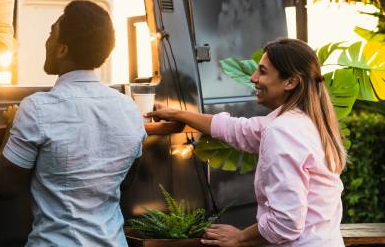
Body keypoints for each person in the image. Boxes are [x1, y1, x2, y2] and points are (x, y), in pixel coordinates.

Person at [148, 38, 346, 246]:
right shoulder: (306, 121)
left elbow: (286, 223)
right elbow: (237, 130)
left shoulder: (282, 131)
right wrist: (178, 113)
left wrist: (240, 237)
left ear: (291, 82)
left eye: (262, 71)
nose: (253, 78)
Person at [0, 0, 147, 246]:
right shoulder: (130, 109)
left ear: (62, 50)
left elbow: (4, 186)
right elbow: (126, 182)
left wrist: (12, 124)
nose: (47, 41)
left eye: (51, 33)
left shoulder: (37, 108)